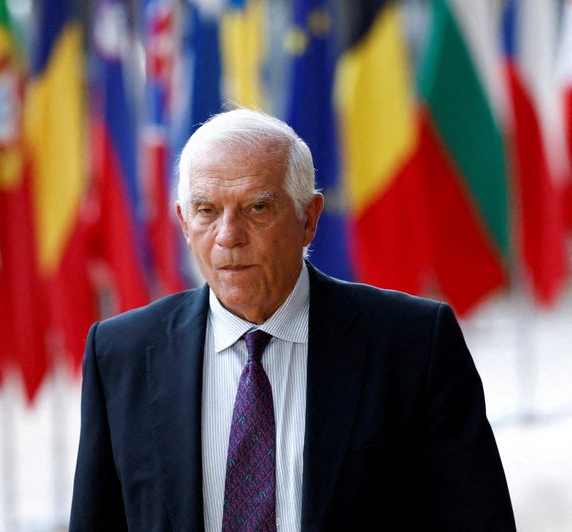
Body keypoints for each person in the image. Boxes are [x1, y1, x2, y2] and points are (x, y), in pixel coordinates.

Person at [69, 109, 515, 531]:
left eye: (257, 208)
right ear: (184, 223)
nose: (228, 236)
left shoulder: (414, 345)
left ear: (309, 218)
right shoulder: (120, 355)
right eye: (206, 211)